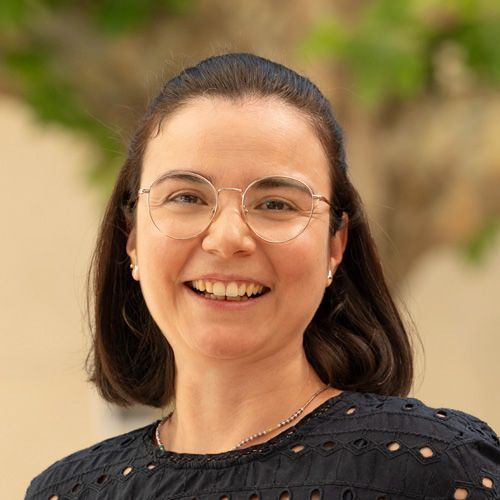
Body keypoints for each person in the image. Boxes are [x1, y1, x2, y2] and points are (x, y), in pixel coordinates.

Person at [26, 53, 499, 500]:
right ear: (132, 239)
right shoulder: (65, 491)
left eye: (275, 204)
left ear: (336, 245)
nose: (227, 238)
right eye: (187, 197)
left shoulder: (438, 472)